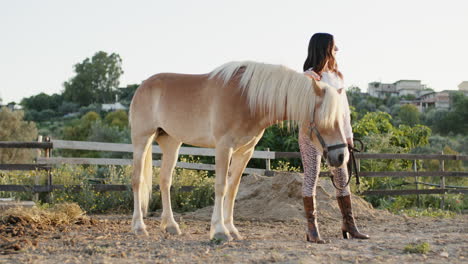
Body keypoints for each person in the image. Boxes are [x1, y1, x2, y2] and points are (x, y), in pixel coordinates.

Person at [300, 33, 369, 243]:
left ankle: (349, 223)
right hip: (312, 134)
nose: (336, 50)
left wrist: (348, 135)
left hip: (336, 133)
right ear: (324, 49)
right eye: (333, 46)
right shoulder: (308, 77)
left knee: (341, 176)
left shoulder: (337, 76)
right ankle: (312, 228)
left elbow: (344, 110)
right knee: (311, 175)